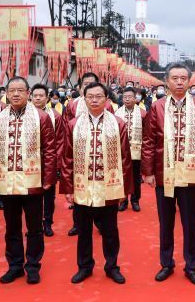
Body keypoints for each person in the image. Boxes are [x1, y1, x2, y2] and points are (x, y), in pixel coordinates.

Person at [141, 63, 195, 285]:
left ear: (189, 80)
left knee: (190, 222)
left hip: (190, 175)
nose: (180, 82)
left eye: (183, 78)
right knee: (166, 221)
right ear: (167, 81)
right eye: (175, 78)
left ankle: (191, 265)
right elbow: (149, 141)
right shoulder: (158, 107)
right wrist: (149, 172)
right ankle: (166, 263)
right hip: (165, 173)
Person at [0, 76, 57, 285]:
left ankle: (33, 266)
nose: (15, 94)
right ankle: (15, 266)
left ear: (28, 94)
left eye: (20, 90)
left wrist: (48, 177)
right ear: (6, 94)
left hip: (33, 182)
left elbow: (50, 150)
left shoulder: (41, 117)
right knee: (11, 227)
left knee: (34, 227)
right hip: (6, 182)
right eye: (11, 90)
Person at [62, 82, 133, 284]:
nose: (94, 100)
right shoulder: (73, 124)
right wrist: (68, 188)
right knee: (83, 231)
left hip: (108, 187)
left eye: (98, 96)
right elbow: (67, 158)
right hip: (82, 187)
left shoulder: (118, 123)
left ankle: (111, 266)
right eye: (90, 96)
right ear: (84, 99)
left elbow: (125, 159)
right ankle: (84, 267)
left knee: (110, 231)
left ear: (106, 99)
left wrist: (124, 190)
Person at [31, 83, 66, 237]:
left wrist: (56, 165)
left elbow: (60, 141)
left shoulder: (56, 116)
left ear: (47, 98)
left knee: (48, 195)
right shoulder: (25, 114)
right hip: (30, 163)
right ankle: (35, 224)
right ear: (31, 96)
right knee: (31, 196)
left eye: (41, 96)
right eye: (35, 95)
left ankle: (47, 223)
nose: (38, 98)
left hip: (48, 162)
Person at [115, 86, 147, 212]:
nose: (127, 99)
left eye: (130, 97)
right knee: (122, 177)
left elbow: (147, 133)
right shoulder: (117, 113)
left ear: (136, 98)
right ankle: (123, 200)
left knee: (135, 177)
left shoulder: (143, 113)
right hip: (121, 151)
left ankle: (135, 200)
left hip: (137, 151)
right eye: (125, 97)